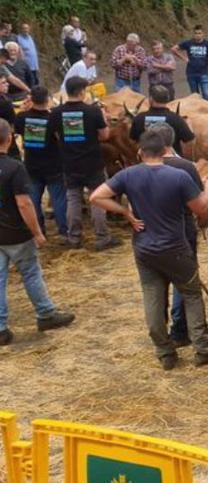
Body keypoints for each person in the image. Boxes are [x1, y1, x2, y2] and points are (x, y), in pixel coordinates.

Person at [90, 129, 208, 370]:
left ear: (140, 152)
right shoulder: (178, 176)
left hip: (144, 249)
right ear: (165, 151)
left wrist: (125, 212)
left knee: (153, 297)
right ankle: (202, 349)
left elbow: (96, 197)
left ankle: (165, 352)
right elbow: (201, 208)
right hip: (176, 248)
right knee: (191, 295)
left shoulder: (127, 175)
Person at [0, 118, 75, 346]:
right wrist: (37, 232)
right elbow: (25, 203)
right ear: (11, 138)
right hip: (16, 233)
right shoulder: (14, 167)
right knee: (31, 273)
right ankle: (46, 314)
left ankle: (1, 328)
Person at [145, 122, 201, 348]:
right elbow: (199, 206)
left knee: (155, 289)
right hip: (181, 231)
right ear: (172, 140)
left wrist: (129, 217)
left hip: (148, 234)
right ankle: (180, 331)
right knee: (185, 283)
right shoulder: (185, 167)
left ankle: (161, 341)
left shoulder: (137, 169)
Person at [53, 77, 118, 250]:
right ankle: (102, 237)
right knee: (97, 198)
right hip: (93, 163)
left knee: (73, 199)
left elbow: (57, 136)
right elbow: (104, 136)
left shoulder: (56, 112)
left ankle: (73, 238)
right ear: (82, 91)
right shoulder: (93, 111)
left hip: (69, 163)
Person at [15, 87, 68, 239]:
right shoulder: (54, 118)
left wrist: (25, 110)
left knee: (34, 200)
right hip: (54, 165)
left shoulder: (22, 117)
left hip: (31, 165)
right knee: (58, 200)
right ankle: (64, 232)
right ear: (48, 99)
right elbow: (61, 139)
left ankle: (38, 231)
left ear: (31, 99)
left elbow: (17, 132)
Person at [130, 84, 195, 157]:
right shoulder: (176, 119)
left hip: (147, 160)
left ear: (151, 99)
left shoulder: (139, 118)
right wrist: (189, 125)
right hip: (172, 162)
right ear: (167, 99)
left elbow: (132, 140)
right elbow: (189, 140)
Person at [173, 25, 208, 101]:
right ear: (193, 34)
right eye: (196, 33)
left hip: (204, 73)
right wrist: (184, 58)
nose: (198, 35)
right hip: (191, 73)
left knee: (207, 95)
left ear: (203, 34)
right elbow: (174, 49)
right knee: (195, 96)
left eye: (199, 33)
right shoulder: (188, 43)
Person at [15, 23, 40, 87]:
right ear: (21, 29)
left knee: (36, 81)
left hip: (34, 64)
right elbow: (18, 52)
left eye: (27, 28)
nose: (25, 30)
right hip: (27, 65)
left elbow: (33, 51)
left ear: (29, 29)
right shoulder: (18, 38)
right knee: (31, 82)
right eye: (24, 28)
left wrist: (36, 65)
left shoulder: (30, 37)